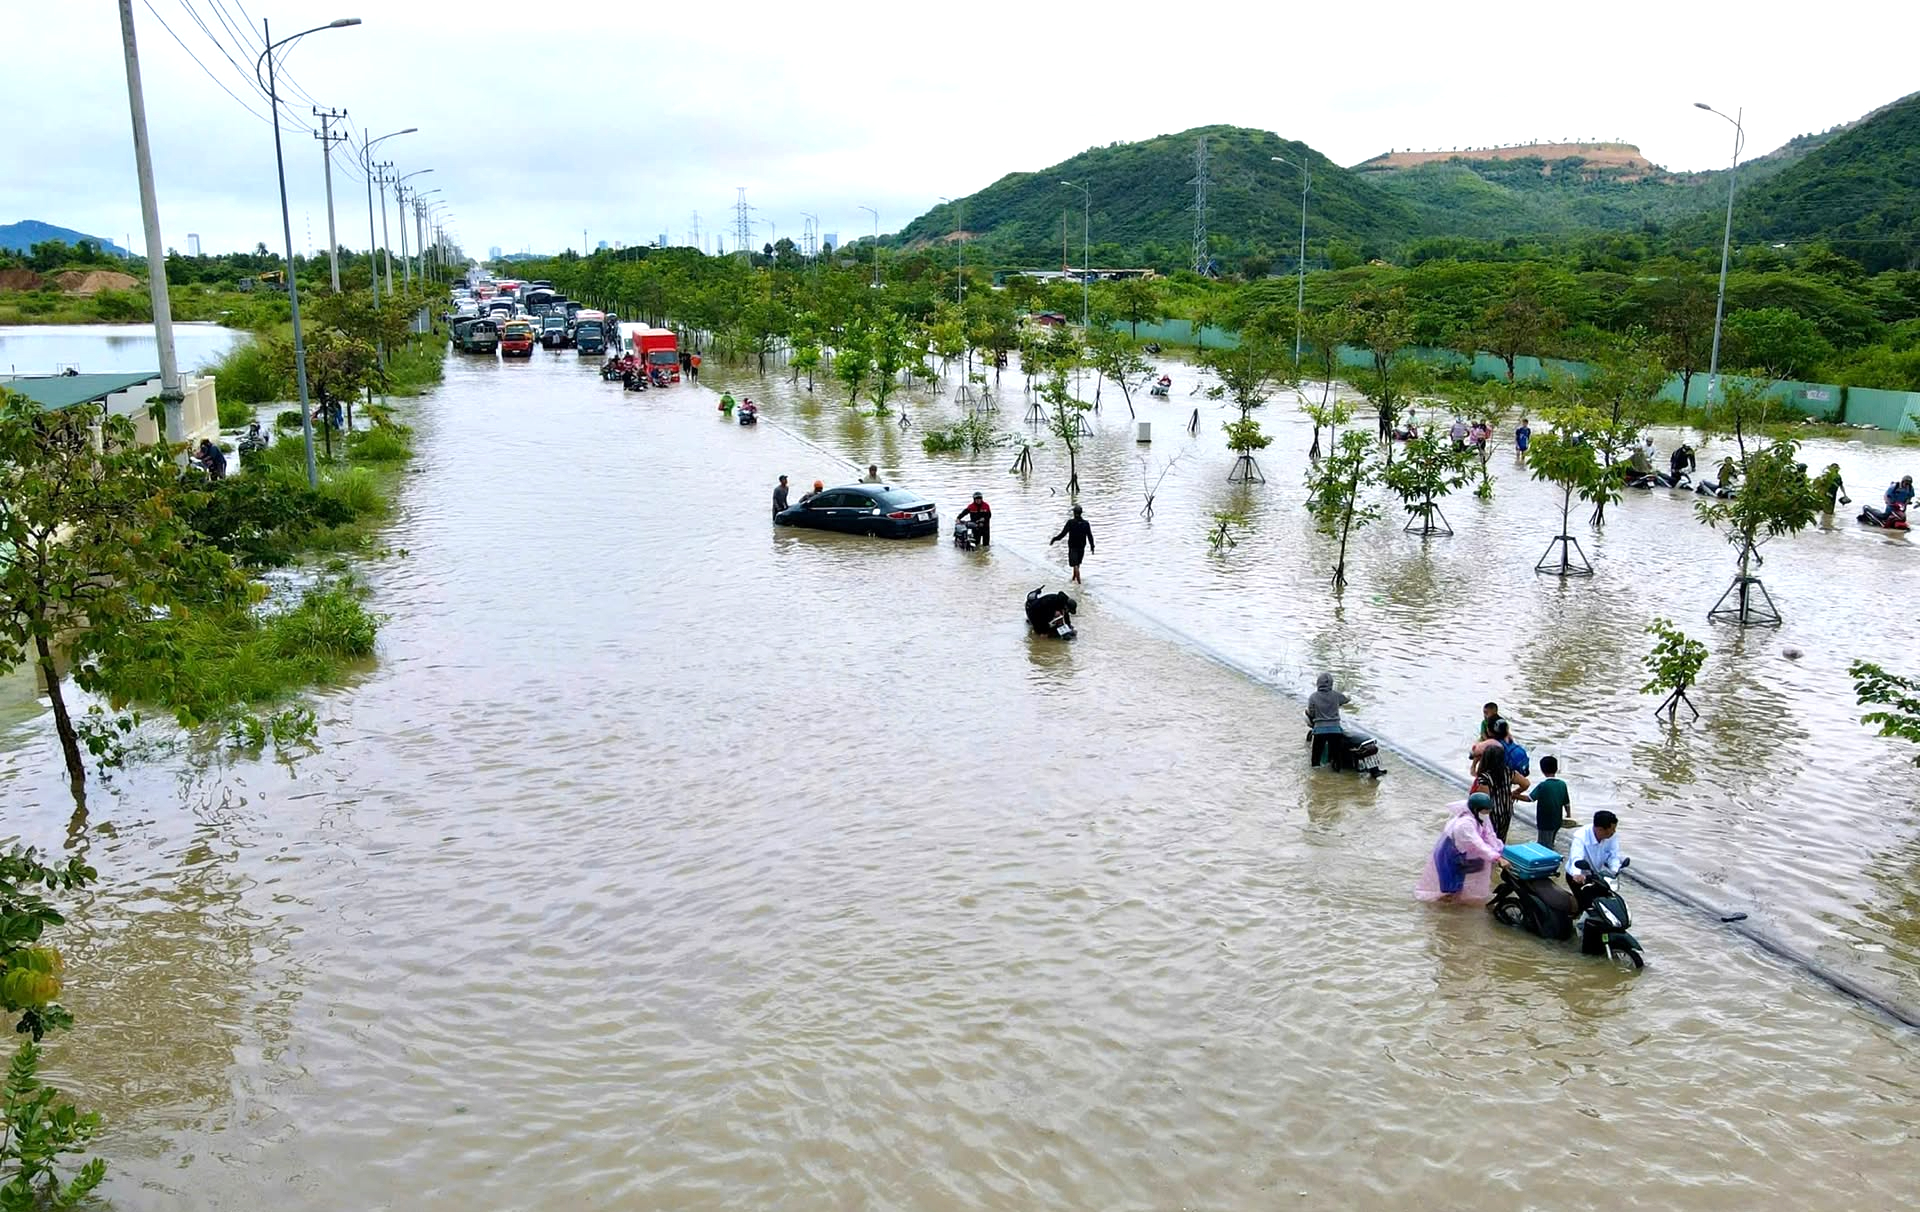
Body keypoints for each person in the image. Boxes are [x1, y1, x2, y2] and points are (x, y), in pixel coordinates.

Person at [1415, 793, 1509, 905]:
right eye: (1486, 810)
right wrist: (1497, 858)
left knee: (1461, 883)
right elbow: (1478, 844)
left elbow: (1489, 834)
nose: (1488, 813)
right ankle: (1444, 912)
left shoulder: (1478, 816)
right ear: (1477, 809)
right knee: (1449, 889)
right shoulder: (1465, 824)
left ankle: (1454, 905)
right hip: (1448, 855)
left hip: (1460, 853)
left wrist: (1500, 849)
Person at [1566, 810, 1623, 912]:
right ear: (1600, 829)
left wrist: (1614, 870)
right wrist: (1577, 874)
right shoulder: (1581, 837)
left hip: (1597, 876)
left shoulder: (1611, 836)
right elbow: (1576, 857)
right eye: (1612, 829)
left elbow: (1614, 855)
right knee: (1587, 906)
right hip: (1580, 877)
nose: (1614, 832)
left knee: (1606, 901)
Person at [1307, 672, 1351, 767]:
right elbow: (1347, 699)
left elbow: (1311, 713)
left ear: (1318, 683)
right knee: (1336, 758)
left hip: (1319, 731)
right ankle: (1336, 774)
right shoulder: (1336, 695)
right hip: (1335, 730)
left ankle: (1317, 779)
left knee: (1315, 760)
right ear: (1331, 683)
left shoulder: (1313, 697)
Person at [1532, 755, 1571, 849]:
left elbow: (1530, 798)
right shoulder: (1562, 784)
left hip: (1545, 821)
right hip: (1557, 821)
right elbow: (1567, 803)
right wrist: (1568, 814)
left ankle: (1546, 860)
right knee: (1551, 841)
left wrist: (1514, 795)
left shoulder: (1543, 785)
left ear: (1542, 770)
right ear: (1556, 768)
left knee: (1543, 844)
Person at [1050, 505, 1094, 583]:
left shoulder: (1070, 522)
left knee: (1075, 565)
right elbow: (1090, 536)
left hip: (1073, 546)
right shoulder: (1086, 523)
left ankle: (1079, 584)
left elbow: (1063, 534)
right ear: (1081, 513)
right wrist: (1092, 546)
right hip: (1082, 546)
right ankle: (1074, 579)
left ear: (1074, 513)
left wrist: (1055, 539)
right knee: (1077, 564)